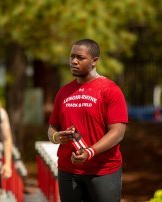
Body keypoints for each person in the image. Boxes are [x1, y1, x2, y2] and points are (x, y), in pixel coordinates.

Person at [47, 38, 128, 202]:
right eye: (71, 57)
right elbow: (52, 127)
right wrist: (57, 137)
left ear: (94, 61)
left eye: (80, 57)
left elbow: (118, 132)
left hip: (102, 170)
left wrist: (90, 152)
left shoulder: (110, 90)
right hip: (68, 170)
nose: (73, 61)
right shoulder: (64, 92)